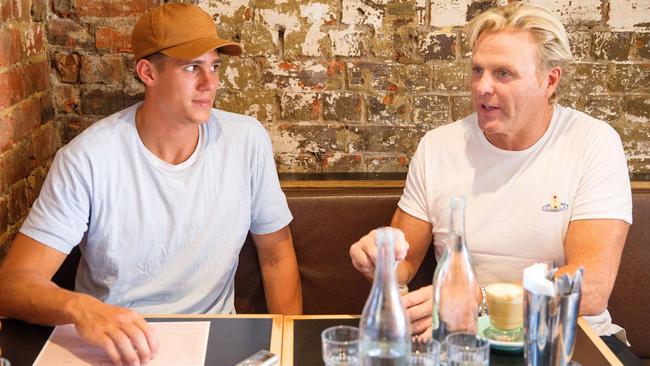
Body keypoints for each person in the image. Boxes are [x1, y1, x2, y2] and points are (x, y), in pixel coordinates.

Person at [0, 3, 302, 366]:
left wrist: (290, 351)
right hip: (115, 346)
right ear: (148, 72)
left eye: (215, 66)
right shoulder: (87, 158)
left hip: (214, 340)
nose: (211, 83)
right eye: (193, 67)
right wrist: (80, 308)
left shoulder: (246, 140)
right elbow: (12, 284)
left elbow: (276, 255)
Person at [350, 2, 639, 364]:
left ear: (549, 81)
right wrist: (380, 256)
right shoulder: (438, 146)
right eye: (477, 71)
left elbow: (590, 287)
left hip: (569, 339)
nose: (483, 87)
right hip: (464, 344)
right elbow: (403, 263)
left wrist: (480, 299)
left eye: (503, 73)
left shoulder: (592, 143)